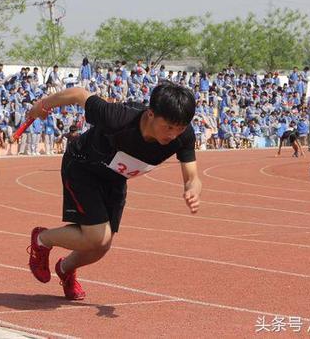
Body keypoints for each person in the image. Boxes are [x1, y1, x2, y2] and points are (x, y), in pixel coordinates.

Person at [26, 82, 201, 300]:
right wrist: (40, 106)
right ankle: (41, 240)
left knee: (101, 247)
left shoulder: (183, 136)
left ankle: (65, 269)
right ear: (151, 114)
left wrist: (191, 187)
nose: (173, 135)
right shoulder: (118, 117)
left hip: (115, 179)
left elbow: (192, 175)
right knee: (98, 237)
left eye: (180, 129)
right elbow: (79, 94)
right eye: (168, 127)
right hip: (83, 166)